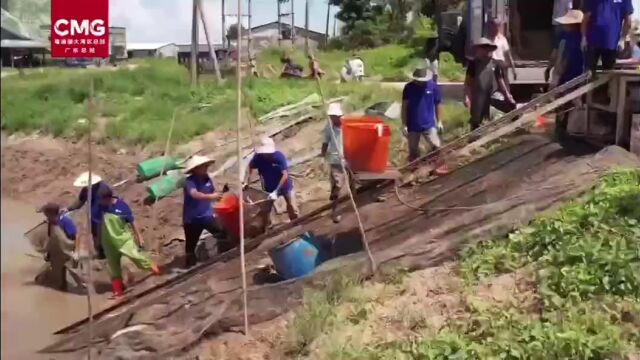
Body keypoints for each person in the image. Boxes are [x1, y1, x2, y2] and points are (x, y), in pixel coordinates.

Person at [97, 187, 160, 299]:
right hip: (108, 241)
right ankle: (118, 291)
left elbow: (132, 222)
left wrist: (139, 236)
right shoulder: (100, 207)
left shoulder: (121, 206)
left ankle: (155, 270)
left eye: (101, 199)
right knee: (113, 266)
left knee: (137, 256)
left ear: (107, 198)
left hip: (123, 239)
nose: (100, 202)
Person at [182, 155, 228, 269]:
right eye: (203, 166)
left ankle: (224, 257)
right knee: (190, 246)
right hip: (192, 218)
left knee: (221, 233)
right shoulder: (189, 181)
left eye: (206, 166)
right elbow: (194, 194)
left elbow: (211, 193)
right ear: (196, 168)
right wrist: (211, 197)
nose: (206, 168)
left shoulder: (207, 179)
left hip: (206, 215)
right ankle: (190, 268)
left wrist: (220, 194)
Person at [464, 38, 516, 132]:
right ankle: (474, 138)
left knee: (509, 107)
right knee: (476, 119)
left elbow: (500, 81)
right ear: (478, 50)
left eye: (487, 48)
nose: (485, 51)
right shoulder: (473, 64)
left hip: (492, 94)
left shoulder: (495, 64)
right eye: (482, 48)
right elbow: (467, 83)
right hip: (478, 95)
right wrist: (467, 97)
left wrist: (507, 95)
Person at [245, 137, 299, 227]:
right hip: (269, 187)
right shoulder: (258, 158)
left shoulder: (279, 157)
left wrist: (276, 190)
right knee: (266, 208)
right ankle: (267, 226)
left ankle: (296, 222)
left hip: (284, 185)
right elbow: (251, 166)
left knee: (291, 205)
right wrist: (248, 181)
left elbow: (285, 175)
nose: (266, 155)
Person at [550, 10, 587, 139]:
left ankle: (564, 131)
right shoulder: (571, 35)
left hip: (571, 75)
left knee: (567, 102)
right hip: (574, 74)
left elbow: (567, 59)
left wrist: (558, 76)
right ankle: (564, 128)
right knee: (568, 103)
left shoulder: (574, 37)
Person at [401, 67, 445, 166]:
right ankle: (414, 170)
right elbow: (404, 107)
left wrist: (440, 122)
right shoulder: (408, 88)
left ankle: (435, 165)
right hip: (412, 125)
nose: (420, 82)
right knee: (413, 151)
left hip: (429, 124)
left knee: (436, 146)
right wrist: (404, 124)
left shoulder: (433, 87)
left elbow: (438, 104)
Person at [32, 203, 80, 291]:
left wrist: (76, 252)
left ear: (51, 213)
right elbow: (50, 239)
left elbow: (75, 235)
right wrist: (48, 253)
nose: (45, 215)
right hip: (55, 253)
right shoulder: (50, 223)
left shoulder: (65, 221)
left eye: (46, 213)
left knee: (71, 274)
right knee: (40, 279)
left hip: (67, 251)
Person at [64, 172, 111, 259]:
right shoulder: (86, 190)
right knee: (95, 235)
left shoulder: (104, 189)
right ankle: (100, 254)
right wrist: (68, 209)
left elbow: (110, 203)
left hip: (104, 216)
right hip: (93, 217)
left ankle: (108, 255)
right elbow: (80, 202)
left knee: (104, 236)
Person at [321, 102, 353, 223]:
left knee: (352, 183)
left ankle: (352, 205)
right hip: (335, 160)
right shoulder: (329, 127)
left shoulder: (347, 125)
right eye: (332, 116)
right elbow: (325, 142)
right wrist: (323, 156)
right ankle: (335, 211)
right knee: (337, 187)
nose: (333, 118)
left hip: (349, 159)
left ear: (340, 116)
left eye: (335, 116)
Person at [582, 0, 634, 73]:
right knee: (609, 73)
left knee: (588, 73)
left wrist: (583, 37)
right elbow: (628, 21)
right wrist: (622, 39)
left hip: (592, 40)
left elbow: (585, 19)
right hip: (612, 41)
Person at [488, 17, 518, 87]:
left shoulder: (502, 39)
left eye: (496, 26)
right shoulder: (487, 39)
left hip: (501, 66)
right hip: (491, 66)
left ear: (498, 27)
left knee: (505, 85)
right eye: (492, 26)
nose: (494, 28)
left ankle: (507, 96)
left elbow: (508, 54)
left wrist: (513, 70)